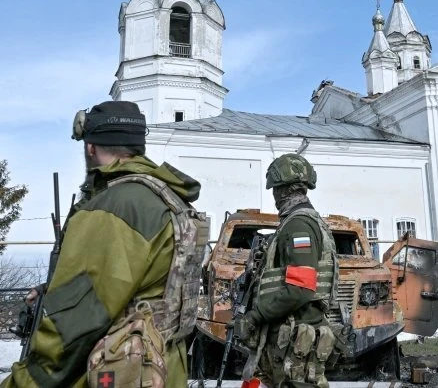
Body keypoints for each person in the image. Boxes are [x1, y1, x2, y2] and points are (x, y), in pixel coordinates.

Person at [2, 100, 209, 388]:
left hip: (114, 373)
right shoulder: (169, 200)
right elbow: (142, 286)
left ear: (90, 147)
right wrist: (55, 289)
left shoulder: (116, 207)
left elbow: (73, 328)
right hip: (160, 370)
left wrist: (20, 383)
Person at [235, 153, 338, 388]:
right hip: (288, 337)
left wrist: (255, 316)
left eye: (275, 189)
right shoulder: (299, 222)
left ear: (283, 190)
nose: (274, 196)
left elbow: (300, 288)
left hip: (294, 339)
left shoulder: (299, 226)